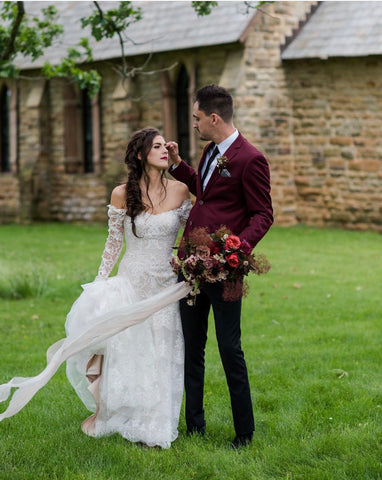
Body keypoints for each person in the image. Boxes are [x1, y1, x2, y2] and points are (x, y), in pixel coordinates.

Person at [0, 127, 192, 450]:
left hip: (166, 285)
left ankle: (157, 423)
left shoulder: (181, 192)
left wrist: (191, 267)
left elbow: (189, 237)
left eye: (165, 146)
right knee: (134, 353)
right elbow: (113, 244)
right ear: (142, 155)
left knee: (163, 352)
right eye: (156, 146)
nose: (164, 150)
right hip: (131, 283)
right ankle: (127, 414)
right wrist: (99, 286)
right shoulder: (121, 194)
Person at [167, 84, 273, 448]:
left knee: (230, 348)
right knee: (192, 346)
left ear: (214, 118)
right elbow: (206, 191)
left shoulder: (251, 158)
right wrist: (180, 167)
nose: (193, 124)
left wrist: (236, 249)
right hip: (193, 268)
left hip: (227, 272)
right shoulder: (210, 150)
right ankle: (194, 425)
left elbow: (263, 214)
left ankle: (244, 432)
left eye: (196, 118)